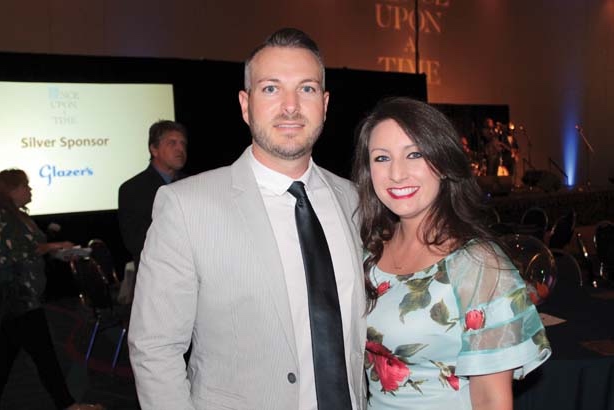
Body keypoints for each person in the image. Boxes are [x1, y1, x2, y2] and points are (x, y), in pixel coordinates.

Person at [127, 28, 367, 409]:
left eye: (306, 89)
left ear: (324, 104)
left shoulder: (353, 200)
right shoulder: (186, 207)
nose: (291, 106)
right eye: (271, 88)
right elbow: (155, 348)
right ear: (245, 104)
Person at [352, 97, 551, 409]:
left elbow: (491, 400)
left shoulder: (477, 264)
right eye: (381, 158)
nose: (397, 173)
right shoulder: (367, 254)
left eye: (414, 154)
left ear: (443, 163)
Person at [0, 169, 105, 410]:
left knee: (13, 355)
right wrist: (53, 246)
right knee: (43, 354)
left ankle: (67, 404)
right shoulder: (4, 217)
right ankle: (67, 404)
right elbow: (13, 252)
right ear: (11, 190)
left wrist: (59, 253)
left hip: (23, 297)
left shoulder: (18, 216)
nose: (29, 190)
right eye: (25, 185)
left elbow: (31, 250)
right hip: (18, 296)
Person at [118, 120, 188, 276]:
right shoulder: (132, 189)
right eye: (172, 143)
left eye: (183, 143)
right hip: (155, 277)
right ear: (154, 149)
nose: (180, 149)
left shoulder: (193, 184)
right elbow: (134, 242)